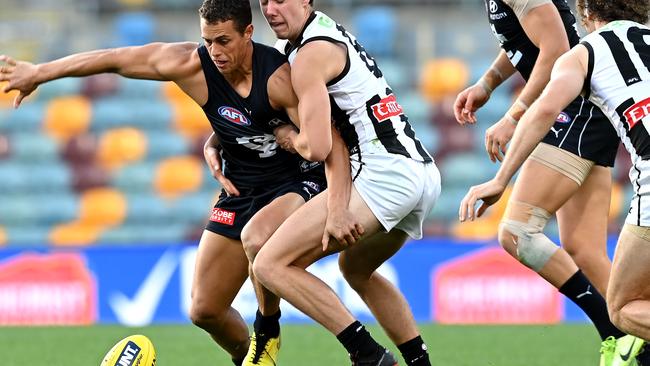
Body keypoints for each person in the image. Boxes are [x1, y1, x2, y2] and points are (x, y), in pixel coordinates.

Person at [0, 1, 349, 365]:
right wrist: (41, 71)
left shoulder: (279, 77)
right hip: (240, 186)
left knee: (258, 241)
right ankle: (255, 359)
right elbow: (116, 58)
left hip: (294, 181)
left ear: (248, 33)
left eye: (224, 40)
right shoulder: (192, 66)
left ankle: (267, 331)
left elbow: (327, 142)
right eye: (208, 40)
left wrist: (338, 203)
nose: (215, 51)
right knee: (204, 310)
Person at [246, 1, 440, 365]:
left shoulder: (308, 55)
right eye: (263, 1)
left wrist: (290, 138)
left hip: (383, 175)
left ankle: (367, 355)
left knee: (269, 264)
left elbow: (319, 146)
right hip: (420, 172)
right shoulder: (316, 35)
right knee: (356, 270)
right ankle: (419, 362)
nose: (270, 9)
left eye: (280, 0)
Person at [453, 1, 645, 364]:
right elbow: (527, 37)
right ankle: (632, 336)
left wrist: (514, 114)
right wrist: (488, 82)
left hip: (576, 105)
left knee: (517, 231)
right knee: (584, 250)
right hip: (587, 105)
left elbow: (556, 48)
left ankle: (620, 332)